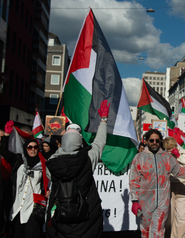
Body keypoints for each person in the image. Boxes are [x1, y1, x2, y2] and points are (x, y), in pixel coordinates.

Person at [45, 100, 110, 238]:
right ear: (80, 142)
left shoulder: (51, 163)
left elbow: (50, 175)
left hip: (60, 220)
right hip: (87, 218)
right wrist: (103, 120)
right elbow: (100, 141)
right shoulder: (88, 158)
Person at [129, 129, 185, 238]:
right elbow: (133, 181)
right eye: (151, 140)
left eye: (157, 140)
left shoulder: (166, 157)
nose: (154, 142)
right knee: (146, 231)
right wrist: (134, 201)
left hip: (162, 202)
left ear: (160, 141)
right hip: (145, 201)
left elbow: (179, 171)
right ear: (146, 141)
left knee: (158, 230)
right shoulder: (139, 158)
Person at [0, 121, 49, 238]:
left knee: (32, 233)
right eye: (29, 147)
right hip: (17, 207)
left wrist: (49, 190)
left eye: (35, 147)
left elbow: (50, 180)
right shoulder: (19, 160)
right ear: (25, 148)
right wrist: (6, 136)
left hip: (33, 207)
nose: (32, 150)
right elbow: (4, 152)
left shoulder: (43, 164)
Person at [163, 136, 185, 238]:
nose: (170, 150)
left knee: (182, 217)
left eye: (171, 148)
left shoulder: (184, 153)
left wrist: (178, 156)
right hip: (168, 186)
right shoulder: (163, 155)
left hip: (182, 185)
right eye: (167, 149)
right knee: (168, 218)